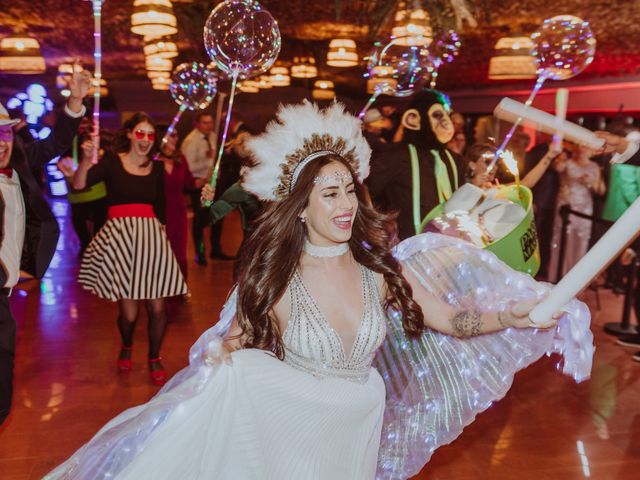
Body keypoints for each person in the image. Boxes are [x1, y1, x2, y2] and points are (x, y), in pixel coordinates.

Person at [44, 101, 593, 480]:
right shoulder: (275, 274)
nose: (345, 204)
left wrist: (516, 316)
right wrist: (220, 356)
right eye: (329, 194)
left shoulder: (380, 270)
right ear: (301, 206)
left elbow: (451, 321)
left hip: (356, 428)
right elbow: (235, 344)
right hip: (291, 433)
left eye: (349, 190)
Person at [0, 68, 91, 425]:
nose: (2, 142)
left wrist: (75, 100)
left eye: (5, 132)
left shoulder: (18, 167)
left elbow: (56, 142)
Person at [73, 112, 187, 386]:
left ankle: (154, 356)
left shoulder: (157, 168)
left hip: (152, 240)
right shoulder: (112, 164)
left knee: (158, 308)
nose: (146, 140)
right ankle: (126, 345)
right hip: (121, 241)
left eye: (150, 135)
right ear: (129, 134)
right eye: (140, 133)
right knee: (129, 314)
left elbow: (160, 206)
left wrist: (162, 239)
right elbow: (78, 185)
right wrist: (87, 161)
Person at [367, 89, 463, 240]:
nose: (446, 121)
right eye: (437, 115)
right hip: (410, 249)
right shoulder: (398, 157)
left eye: (447, 114)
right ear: (413, 119)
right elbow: (365, 191)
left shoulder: (454, 160)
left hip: (451, 247)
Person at [181, 111, 234, 264]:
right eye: (205, 122)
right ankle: (200, 252)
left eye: (210, 122)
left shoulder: (211, 135)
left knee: (218, 216)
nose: (209, 125)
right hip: (200, 184)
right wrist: (206, 159)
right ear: (197, 124)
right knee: (200, 219)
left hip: (214, 183)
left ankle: (216, 250)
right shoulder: (191, 140)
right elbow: (189, 167)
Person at [156, 129, 203, 301]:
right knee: (161, 253)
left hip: (178, 211)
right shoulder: (153, 161)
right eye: (171, 135)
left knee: (180, 253)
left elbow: (191, 183)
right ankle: (160, 287)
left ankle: (181, 287)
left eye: (176, 135)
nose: (174, 138)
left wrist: (207, 180)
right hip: (159, 212)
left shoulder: (180, 159)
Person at [548, 144, 606, 282]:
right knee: (563, 240)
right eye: (580, 146)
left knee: (581, 242)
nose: (582, 149)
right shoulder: (567, 162)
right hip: (567, 204)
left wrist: (590, 182)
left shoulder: (594, 167)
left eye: (586, 146)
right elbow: (557, 168)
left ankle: (575, 281)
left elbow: (601, 190)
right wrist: (558, 156)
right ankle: (558, 277)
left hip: (585, 207)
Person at [57, 135, 108, 257]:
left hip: (97, 192)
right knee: (80, 221)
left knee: (98, 223)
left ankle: (93, 248)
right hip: (78, 194)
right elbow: (62, 160)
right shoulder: (70, 139)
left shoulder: (96, 136)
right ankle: (87, 247)